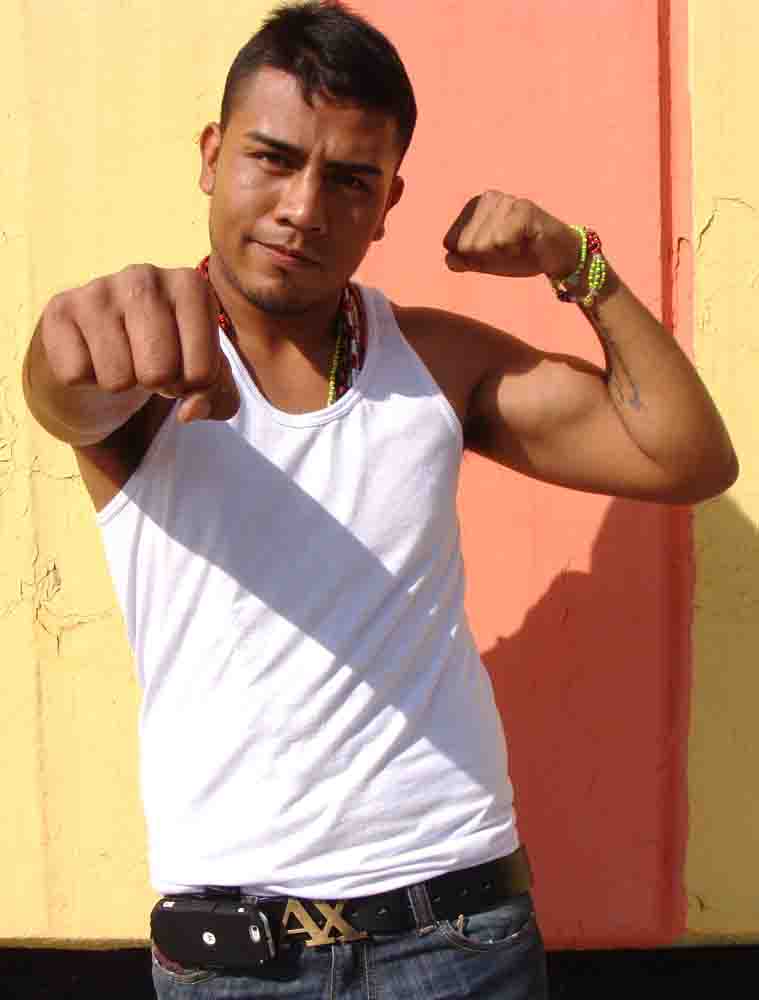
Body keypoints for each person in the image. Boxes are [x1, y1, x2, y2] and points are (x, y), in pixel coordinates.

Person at [22, 2, 737, 998]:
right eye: (272, 158)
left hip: (459, 933)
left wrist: (574, 259)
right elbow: (67, 385)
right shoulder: (144, 367)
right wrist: (72, 344)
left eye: (349, 179)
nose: (304, 207)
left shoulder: (434, 364)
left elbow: (687, 457)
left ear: (389, 201)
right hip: (236, 959)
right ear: (211, 156)